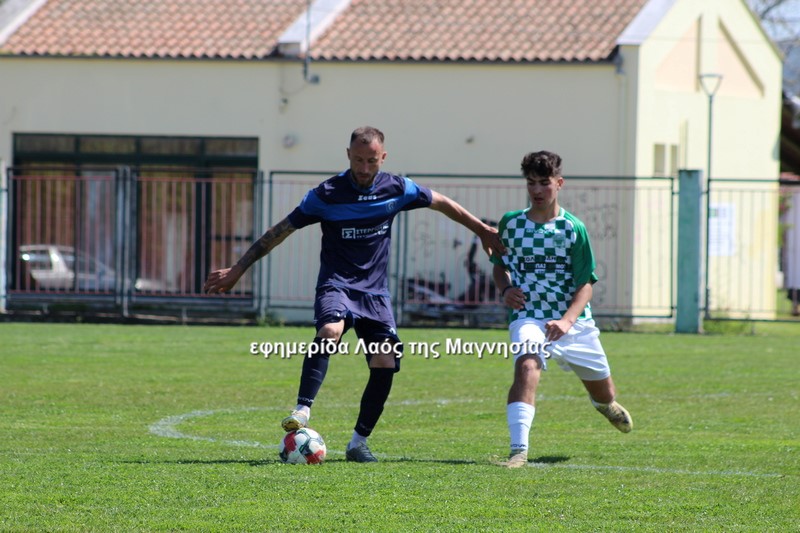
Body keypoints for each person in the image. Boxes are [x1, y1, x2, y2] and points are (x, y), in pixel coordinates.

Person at [204, 126, 503, 462]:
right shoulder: (326, 194)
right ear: (348, 155)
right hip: (337, 284)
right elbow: (279, 231)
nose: (363, 168)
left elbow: (442, 203)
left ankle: (358, 443)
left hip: (375, 294)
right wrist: (238, 269)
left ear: (383, 157)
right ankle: (302, 409)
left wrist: (482, 230)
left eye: (371, 161)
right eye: (358, 160)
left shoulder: (397, 188)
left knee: (385, 360)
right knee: (330, 331)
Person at [490, 150, 632, 469]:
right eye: (531, 183)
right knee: (527, 365)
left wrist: (567, 321)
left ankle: (604, 405)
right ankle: (518, 451)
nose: (537, 190)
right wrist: (506, 289)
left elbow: (586, 283)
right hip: (529, 316)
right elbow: (499, 266)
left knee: (606, 393)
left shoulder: (572, 228)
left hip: (573, 323)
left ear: (559, 183)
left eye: (544, 183)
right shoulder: (511, 224)